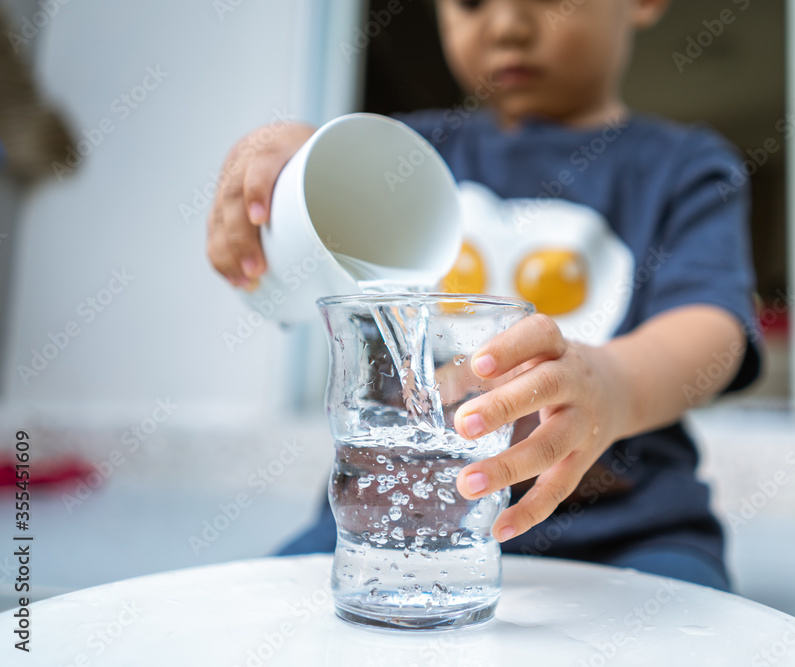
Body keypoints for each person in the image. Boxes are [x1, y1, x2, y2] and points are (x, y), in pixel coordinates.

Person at [206, 0, 760, 592]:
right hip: (391, 516)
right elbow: (298, 271)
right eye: (471, 2)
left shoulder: (682, 169)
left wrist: (610, 384)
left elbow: (712, 333)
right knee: (265, 613)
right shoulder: (398, 158)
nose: (506, 26)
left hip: (625, 527)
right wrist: (286, 176)